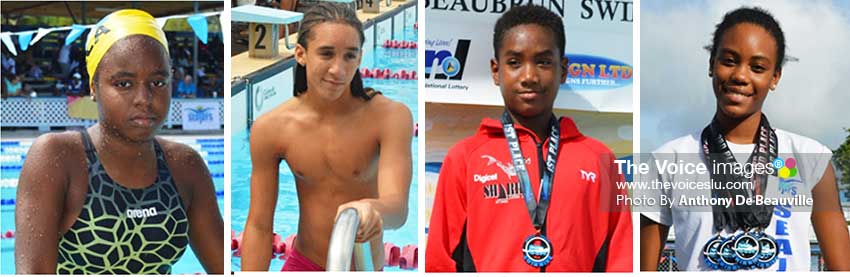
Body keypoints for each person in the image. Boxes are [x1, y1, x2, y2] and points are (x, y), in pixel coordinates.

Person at [639, 7, 850, 271]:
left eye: (757, 67)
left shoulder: (809, 158)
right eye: (728, 61)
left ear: (775, 77)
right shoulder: (666, 160)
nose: (740, 76)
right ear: (711, 65)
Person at [14, 9, 224, 274]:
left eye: (158, 82)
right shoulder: (59, 158)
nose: (144, 98)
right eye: (124, 84)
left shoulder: (185, 166)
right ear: (94, 86)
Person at [425, 5, 632, 272]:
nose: (529, 76)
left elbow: (621, 258)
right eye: (514, 62)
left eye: (543, 61)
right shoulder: (464, 159)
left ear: (564, 69)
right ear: (496, 71)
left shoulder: (599, 160)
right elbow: (439, 262)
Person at [241, 2, 413, 271]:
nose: (338, 69)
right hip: (303, 264)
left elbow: (398, 208)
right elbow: (259, 225)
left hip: (365, 268)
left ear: (360, 57)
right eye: (326, 54)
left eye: (349, 56)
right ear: (300, 54)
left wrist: (372, 210)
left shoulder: (390, 117)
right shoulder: (271, 128)